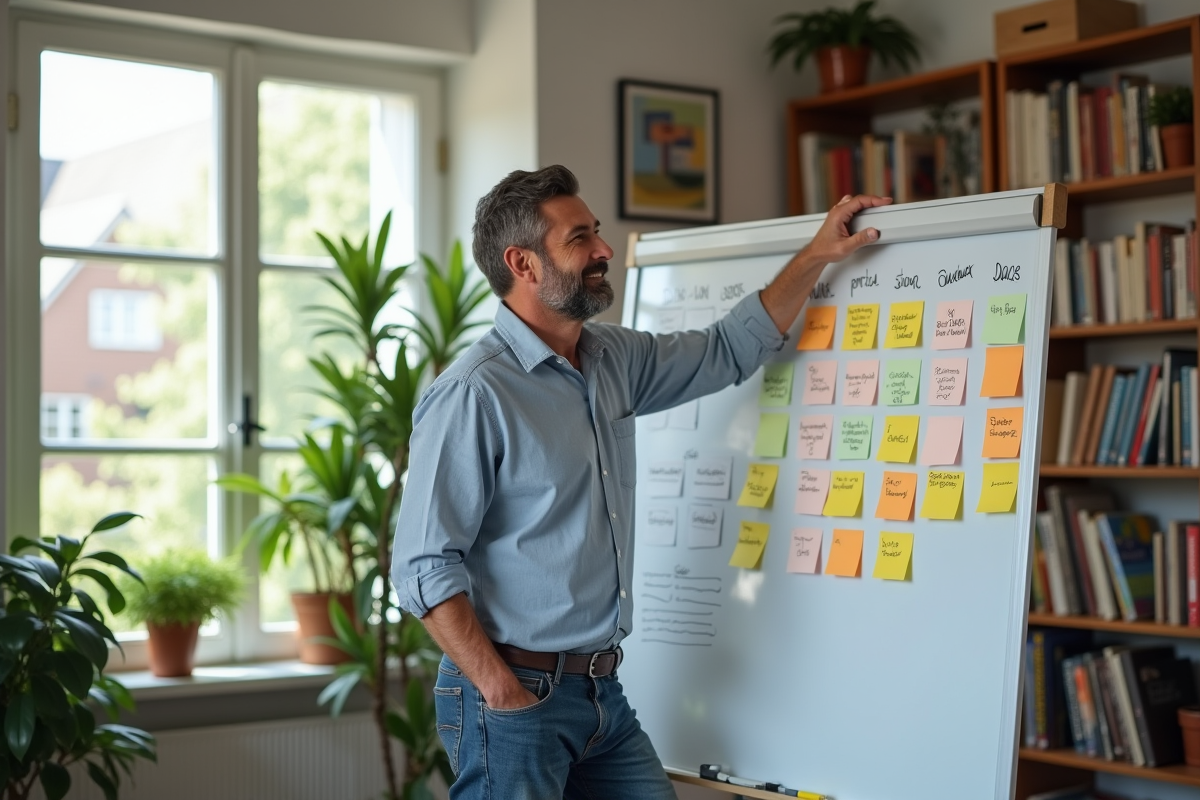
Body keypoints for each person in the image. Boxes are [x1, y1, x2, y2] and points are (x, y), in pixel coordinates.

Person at [392, 164, 890, 799]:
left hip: (601, 691)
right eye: (579, 239)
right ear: (523, 263)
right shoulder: (473, 393)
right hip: (516, 695)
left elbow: (728, 349)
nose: (603, 250)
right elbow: (424, 566)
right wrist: (501, 692)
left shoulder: (612, 359)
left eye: (595, 233)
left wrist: (816, 255)